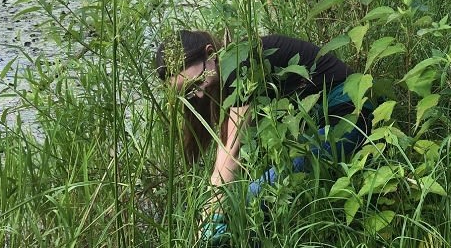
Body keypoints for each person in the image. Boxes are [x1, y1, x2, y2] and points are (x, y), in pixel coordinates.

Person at [154, 30, 372, 244]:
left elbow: (231, 151)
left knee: (250, 199)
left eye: (198, 81)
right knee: (248, 196)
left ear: (210, 53)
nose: (200, 93)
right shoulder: (228, 66)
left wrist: (210, 216)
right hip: (319, 125)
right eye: (190, 91)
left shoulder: (241, 63)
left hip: (351, 118)